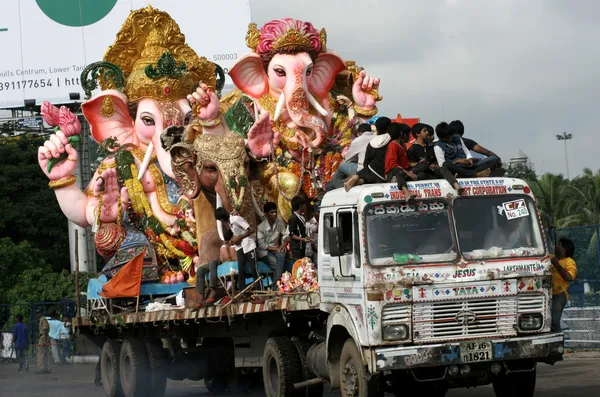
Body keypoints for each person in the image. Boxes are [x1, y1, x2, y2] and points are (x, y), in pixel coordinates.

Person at [214, 207, 259, 300]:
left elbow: (251, 230)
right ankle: (242, 294)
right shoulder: (229, 224)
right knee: (241, 271)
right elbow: (235, 236)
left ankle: (259, 292)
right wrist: (232, 241)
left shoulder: (236, 219)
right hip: (240, 247)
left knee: (254, 269)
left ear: (222, 219)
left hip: (249, 245)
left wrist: (240, 238)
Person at [407, 123, 464, 195]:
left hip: (433, 172)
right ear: (418, 134)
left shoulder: (433, 147)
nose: (427, 133)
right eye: (425, 131)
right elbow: (409, 163)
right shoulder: (412, 149)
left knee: (443, 168)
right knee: (421, 175)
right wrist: (420, 164)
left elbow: (438, 162)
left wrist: (435, 165)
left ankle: (457, 186)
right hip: (423, 173)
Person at [344, 122, 392, 191]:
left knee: (342, 167)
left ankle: (333, 187)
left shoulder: (371, 141)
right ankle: (361, 180)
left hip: (371, 169)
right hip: (383, 171)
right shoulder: (390, 140)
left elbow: (349, 159)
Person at [326, 123, 374, 190]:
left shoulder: (357, 140)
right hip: (376, 169)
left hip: (362, 170)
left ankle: (334, 186)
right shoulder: (377, 138)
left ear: (360, 133)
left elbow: (349, 159)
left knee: (342, 166)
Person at [194, 229, 234, 309]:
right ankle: (201, 295)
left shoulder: (232, 242)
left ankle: (213, 290)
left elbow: (229, 258)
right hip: (216, 261)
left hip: (223, 262)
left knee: (213, 263)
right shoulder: (222, 241)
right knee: (200, 270)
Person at [384, 123, 417, 204]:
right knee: (399, 170)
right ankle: (406, 193)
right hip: (394, 172)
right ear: (402, 134)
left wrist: (418, 164)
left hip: (403, 170)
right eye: (408, 134)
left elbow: (406, 164)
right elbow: (392, 164)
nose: (409, 137)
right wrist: (408, 173)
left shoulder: (401, 146)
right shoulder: (393, 145)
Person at [257, 202, 290, 284]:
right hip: (264, 252)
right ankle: (278, 284)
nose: (275, 214)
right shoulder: (261, 227)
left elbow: (286, 235)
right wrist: (277, 248)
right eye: (272, 212)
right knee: (277, 264)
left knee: (282, 254)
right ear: (266, 214)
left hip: (276, 249)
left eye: (276, 212)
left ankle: (277, 284)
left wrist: (284, 244)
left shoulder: (279, 222)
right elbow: (262, 245)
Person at [551, 238, 578, 332]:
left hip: (559, 294)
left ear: (563, 249)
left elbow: (569, 277)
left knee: (554, 322)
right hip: (546, 293)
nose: (555, 246)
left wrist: (557, 265)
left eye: (558, 244)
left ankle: (557, 344)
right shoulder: (551, 258)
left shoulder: (569, 262)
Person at [288, 196, 312, 261]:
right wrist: (303, 239)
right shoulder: (293, 218)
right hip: (296, 247)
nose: (305, 207)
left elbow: (302, 231)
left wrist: (307, 238)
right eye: (304, 205)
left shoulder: (302, 217)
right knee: (298, 264)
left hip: (302, 246)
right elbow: (292, 235)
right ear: (300, 205)